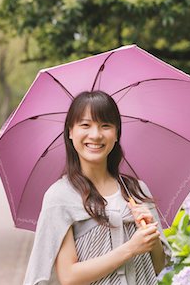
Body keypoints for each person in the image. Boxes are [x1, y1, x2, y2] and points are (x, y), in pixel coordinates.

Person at [24, 91, 171, 285]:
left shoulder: (135, 190)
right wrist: (131, 248)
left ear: (117, 133)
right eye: (85, 125)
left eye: (105, 126)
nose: (95, 135)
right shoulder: (61, 196)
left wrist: (149, 234)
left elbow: (157, 266)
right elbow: (68, 276)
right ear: (70, 131)